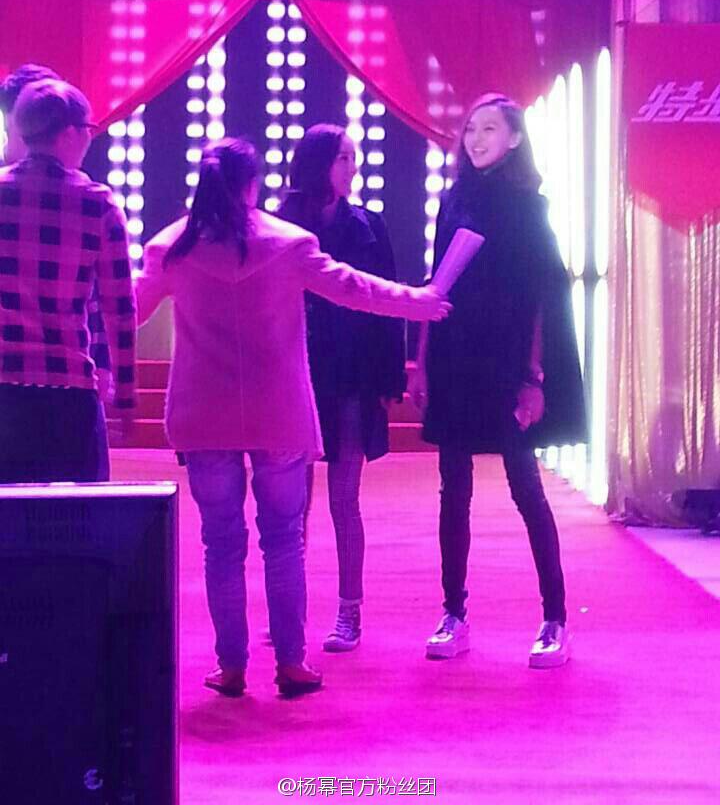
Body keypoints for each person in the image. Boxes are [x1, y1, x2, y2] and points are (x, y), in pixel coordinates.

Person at [135, 138, 449, 698]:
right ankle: (291, 662)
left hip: (203, 415)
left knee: (220, 544)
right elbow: (356, 289)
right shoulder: (287, 244)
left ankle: (231, 665)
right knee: (282, 539)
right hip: (277, 411)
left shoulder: (173, 248)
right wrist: (417, 301)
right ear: (252, 185)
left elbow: (127, 308)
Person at [410, 93, 586, 668]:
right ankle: (453, 613)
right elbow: (437, 285)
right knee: (452, 489)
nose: (476, 139)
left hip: (507, 363)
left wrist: (533, 376)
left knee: (525, 487)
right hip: (456, 357)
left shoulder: (529, 207)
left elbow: (542, 297)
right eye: (470, 130)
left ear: (514, 138)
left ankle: (555, 618)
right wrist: (423, 359)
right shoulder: (453, 200)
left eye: (490, 129)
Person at [279, 124, 406, 653]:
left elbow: (387, 303)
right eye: (343, 158)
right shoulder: (281, 224)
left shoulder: (369, 226)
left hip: (352, 377)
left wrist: (390, 378)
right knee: (291, 501)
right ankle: (289, 608)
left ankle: (349, 611)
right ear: (318, 163)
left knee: (343, 498)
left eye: (354, 158)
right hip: (295, 375)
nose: (352, 168)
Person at [0, 78, 136, 484]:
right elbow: (120, 309)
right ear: (69, 133)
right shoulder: (97, 204)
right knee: (78, 514)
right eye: (89, 129)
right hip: (70, 391)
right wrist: (126, 396)